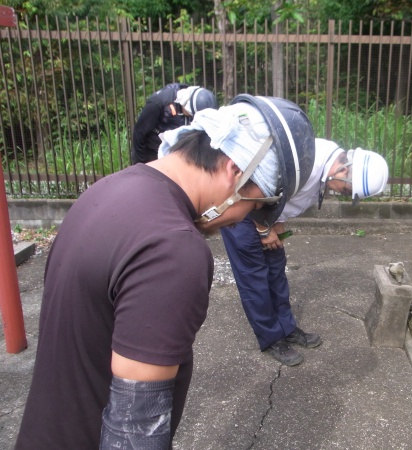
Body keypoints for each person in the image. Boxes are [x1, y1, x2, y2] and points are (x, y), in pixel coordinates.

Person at [15, 97, 315, 449]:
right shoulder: (173, 250)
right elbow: (134, 433)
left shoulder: (107, 189)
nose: (243, 220)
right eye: (256, 207)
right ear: (236, 171)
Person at [221, 138, 389, 366]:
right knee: (254, 277)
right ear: (344, 169)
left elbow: (281, 194)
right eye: (346, 189)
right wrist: (263, 229)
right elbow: (250, 187)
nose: (343, 194)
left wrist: (277, 223)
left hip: (267, 214)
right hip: (242, 210)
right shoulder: (305, 159)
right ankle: (271, 338)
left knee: (276, 268)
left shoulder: (325, 163)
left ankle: (286, 328)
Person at [131, 83, 218, 164]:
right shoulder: (159, 102)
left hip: (175, 154)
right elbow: (139, 133)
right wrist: (140, 164)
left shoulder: (202, 104)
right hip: (153, 152)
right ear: (186, 106)